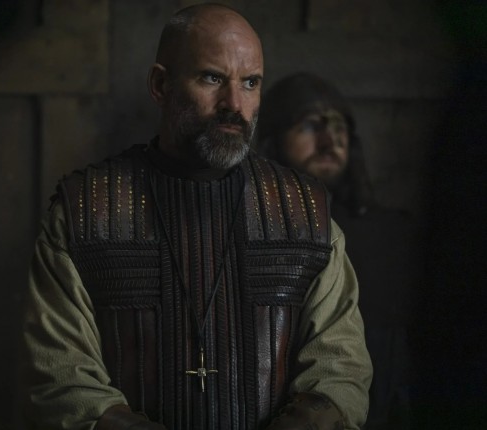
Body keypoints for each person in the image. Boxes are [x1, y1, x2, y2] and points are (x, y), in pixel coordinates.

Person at [23, 5, 371, 430]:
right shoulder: (86, 213)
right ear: (160, 85)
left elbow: (340, 372)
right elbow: (62, 381)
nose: (234, 104)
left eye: (250, 82)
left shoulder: (304, 216)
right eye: (212, 78)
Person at [257, 72, 418, 429]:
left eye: (339, 128)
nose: (330, 141)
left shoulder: (394, 231)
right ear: (274, 140)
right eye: (309, 126)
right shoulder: (256, 236)